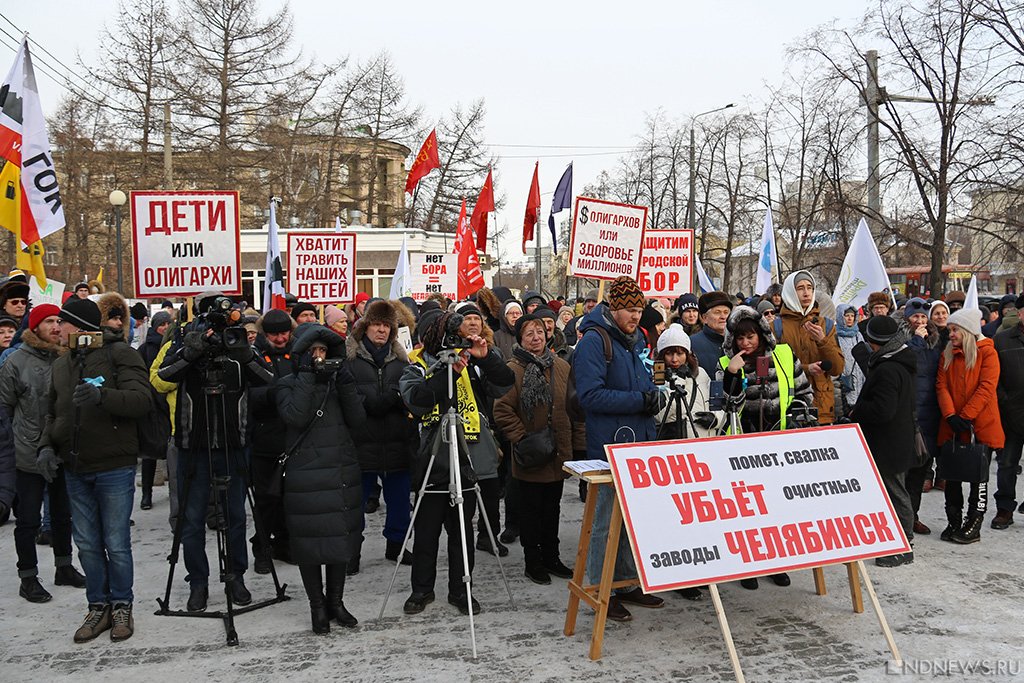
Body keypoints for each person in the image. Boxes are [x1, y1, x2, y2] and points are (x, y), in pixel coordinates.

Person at [42, 296, 152, 643]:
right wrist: (46, 445)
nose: (57, 329)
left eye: (63, 323)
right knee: (87, 544)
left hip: (114, 465)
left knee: (116, 542)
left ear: (82, 327)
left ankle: (122, 604)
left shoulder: (119, 354)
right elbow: (52, 413)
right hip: (75, 466)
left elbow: (141, 400)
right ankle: (98, 605)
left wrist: (102, 396)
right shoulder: (61, 365)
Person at [158, 291, 274, 613]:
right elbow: (163, 377)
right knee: (191, 520)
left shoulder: (240, 346)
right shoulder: (184, 342)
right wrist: (191, 352)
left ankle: (236, 576)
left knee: (235, 515)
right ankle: (198, 582)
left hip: (232, 444)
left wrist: (244, 352)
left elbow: (268, 379)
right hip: (191, 446)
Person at [399, 310, 512, 616]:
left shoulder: (470, 362)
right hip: (432, 458)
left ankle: (461, 591)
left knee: (462, 532)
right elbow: (419, 399)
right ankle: (421, 590)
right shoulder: (416, 365)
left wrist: (485, 358)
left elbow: (505, 383)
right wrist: (448, 370)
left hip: (466, 456)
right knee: (426, 532)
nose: (455, 340)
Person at [573, 276, 665, 622]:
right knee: (604, 521)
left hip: (638, 441)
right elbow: (590, 396)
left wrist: (656, 394)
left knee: (631, 518)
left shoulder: (636, 338)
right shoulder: (595, 341)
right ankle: (601, 588)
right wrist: (640, 401)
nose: (636, 315)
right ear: (613, 307)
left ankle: (626, 581)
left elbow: (643, 379)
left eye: (639, 308)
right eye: (629, 308)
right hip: (608, 445)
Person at [276, 324, 365, 633]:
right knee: (310, 542)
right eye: (313, 352)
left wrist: (344, 380)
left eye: (324, 352)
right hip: (306, 474)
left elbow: (358, 419)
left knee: (339, 538)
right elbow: (296, 416)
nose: (319, 357)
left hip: (340, 469)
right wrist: (308, 376)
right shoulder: (288, 383)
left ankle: (336, 602)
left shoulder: (340, 382)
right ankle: (317, 605)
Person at [0, 303, 87, 604]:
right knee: (28, 520)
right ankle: (28, 577)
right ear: (34, 326)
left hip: (63, 451)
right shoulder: (15, 361)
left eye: (58, 320)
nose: (54, 326)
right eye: (48, 320)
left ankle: (64, 567)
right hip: (27, 454)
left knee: (63, 515)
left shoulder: (70, 357)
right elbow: (4, 407)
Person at [493, 314, 584, 585]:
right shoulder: (513, 368)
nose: (536, 337)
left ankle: (552, 557)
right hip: (531, 454)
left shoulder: (561, 366)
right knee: (531, 511)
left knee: (552, 508)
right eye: (529, 333)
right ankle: (533, 562)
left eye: (540, 332)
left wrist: (578, 445)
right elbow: (502, 410)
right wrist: (521, 438)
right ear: (520, 339)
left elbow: (574, 407)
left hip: (557, 452)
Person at [345, 300, 417, 570]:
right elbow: (347, 394)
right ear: (366, 327)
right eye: (376, 324)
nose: (381, 330)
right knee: (355, 502)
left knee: (399, 502)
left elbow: (409, 392)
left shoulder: (401, 360)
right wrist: (371, 401)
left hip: (396, 439)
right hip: (361, 440)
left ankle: (396, 546)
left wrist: (395, 398)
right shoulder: (350, 359)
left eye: (386, 325)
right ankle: (352, 551)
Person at [849, 316, 918, 566]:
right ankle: (897, 540)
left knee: (896, 492)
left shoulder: (888, 368)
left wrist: (858, 409)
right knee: (894, 490)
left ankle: (904, 545)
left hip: (889, 441)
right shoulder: (898, 360)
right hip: (896, 438)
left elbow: (882, 410)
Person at [936, 308, 1004, 544]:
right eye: (950, 330)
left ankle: (973, 523)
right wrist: (951, 415)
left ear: (967, 331)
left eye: (955, 330)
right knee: (952, 476)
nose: (951, 334)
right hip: (952, 425)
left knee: (978, 477)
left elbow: (986, 387)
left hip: (981, 425)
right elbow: (941, 386)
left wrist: (965, 416)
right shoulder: (948, 354)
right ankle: (953, 520)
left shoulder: (988, 353)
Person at [247, 309, 296, 573]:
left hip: (292, 438)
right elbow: (249, 396)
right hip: (265, 439)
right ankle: (262, 548)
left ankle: (285, 543)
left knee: (290, 498)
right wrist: (275, 393)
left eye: (283, 333)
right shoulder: (253, 357)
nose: (280, 338)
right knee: (266, 499)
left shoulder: (297, 354)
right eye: (274, 334)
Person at [898, 298, 942, 534]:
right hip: (907, 415)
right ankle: (899, 519)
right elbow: (906, 363)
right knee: (902, 475)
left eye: (924, 317)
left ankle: (913, 516)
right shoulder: (903, 341)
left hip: (929, 417)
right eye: (916, 317)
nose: (920, 321)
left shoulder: (934, 343)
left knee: (919, 472)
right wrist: (916, 340)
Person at [777, 271, 844, 425]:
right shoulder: (776, 327)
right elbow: (772, 369)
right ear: (790, 292)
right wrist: (806, 369)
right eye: (800, 288)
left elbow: (837, 369)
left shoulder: (826, 325)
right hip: (789, 405)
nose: (806, 293)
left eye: (810, 288)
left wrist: (822, 340)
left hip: (821, 407)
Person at [655, 323, 724, 442]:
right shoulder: (657, 379)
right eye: (669, 354)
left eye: (680, 353)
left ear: (688, 354)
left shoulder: (701, 374)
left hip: (706, 442)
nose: (674, 359)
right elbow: (660, 417)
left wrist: (715, 419)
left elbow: (717, 403)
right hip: (676, 446)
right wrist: (677, 382)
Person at [992, 294, 1024, 529]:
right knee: (1007, 464)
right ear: (1019, 313)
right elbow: (994, 379)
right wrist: (1005, 402)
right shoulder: (1002, 340)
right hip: (1010, 414)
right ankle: (1004, 508)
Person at [690, 291, 733, 378]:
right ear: (704, 318)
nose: (723, 317)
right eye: (717, 312)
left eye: (726, 312)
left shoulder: (739, 341)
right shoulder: (692, 343)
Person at [834, 304, 866, 418]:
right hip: (844, 380)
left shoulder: (858, 335)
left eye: (852, 316)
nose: (849, 318)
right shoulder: (835, 335)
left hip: (860, 380)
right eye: (846, 315)